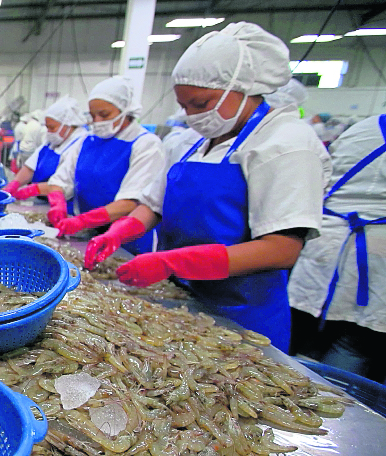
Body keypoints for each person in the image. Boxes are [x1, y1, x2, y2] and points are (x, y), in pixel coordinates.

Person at [83, 22, 331, 352]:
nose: (191, 116)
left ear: (242, 89)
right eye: (184, 107)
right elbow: (152, 204)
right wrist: (118, 232)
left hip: (242, 312)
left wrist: (171, 261)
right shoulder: (191, 142)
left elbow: (282, 247)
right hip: (183, 298)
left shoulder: (284, 144)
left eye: (200, 104)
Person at [289, 114, 386, 381]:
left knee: (300, 331)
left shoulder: (363, 128)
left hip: (327, 240)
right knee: (355, 342)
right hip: (375, 251)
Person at [43, 76, 165, 254]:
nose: (98, 121)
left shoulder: (146, 144)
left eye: (105, 115)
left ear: (125, 110)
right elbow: (59, 180)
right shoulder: (86, 141)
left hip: (126, 242)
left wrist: (82, 220)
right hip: (84, 235)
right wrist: (58, 204)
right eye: (93, 116)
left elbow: (132, 202)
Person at [4, 98, 87, 199]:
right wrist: (15, 184)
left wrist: (31, 190)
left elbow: (67, 181)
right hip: (43, 200)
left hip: (63, 204)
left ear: (68, 125)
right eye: (47, 127)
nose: (49, 132)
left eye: (52, 127)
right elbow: (31, 166)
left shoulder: (81, 143)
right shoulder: (52, 141)